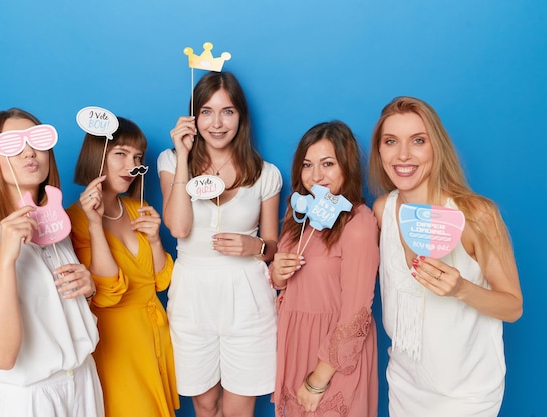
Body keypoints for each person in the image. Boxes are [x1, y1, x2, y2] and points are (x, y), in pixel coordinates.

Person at [368, 96, 523, 417]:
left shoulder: (476, 215)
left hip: (466, 392)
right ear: (379, 151)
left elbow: (513, 307)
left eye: (418, 141)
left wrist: (461, 289)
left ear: (436, 147)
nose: (403, 155)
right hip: (405, 383)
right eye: (391, 141)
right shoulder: (383, 210)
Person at [0, 108, 103, 417]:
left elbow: (56, 313)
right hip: (27, 399)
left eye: (37, 139)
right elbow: (2, 355)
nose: (29, 151)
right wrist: (7, 260)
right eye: (12, 144)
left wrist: (88, 290)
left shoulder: (56, 225)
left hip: (84, 381)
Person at [157, 71, 282, 417]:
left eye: (227, 111)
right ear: (194, 117)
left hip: (248, 299)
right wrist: (183, 157)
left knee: (239, 408)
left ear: (240, 116)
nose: (217, 123)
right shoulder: (170, 161)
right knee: (206, 405)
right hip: (192, 298)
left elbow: (273, 246)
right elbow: (179, 227)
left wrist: (253, 246)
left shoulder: (264, 173)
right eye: (207, 112)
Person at [66, 116, 179, 417]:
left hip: (154, 335)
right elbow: (106, 290)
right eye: (121, 153)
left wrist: (155, 240)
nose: (132, 164)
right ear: (97, 155)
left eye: (138, 157)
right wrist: (93, 223)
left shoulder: (136, 209)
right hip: (116, 344)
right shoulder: (72, 220)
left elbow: (160, 282)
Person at [270, 121, 379, 417]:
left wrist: (318, 380)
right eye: (307, 165)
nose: (316, 176)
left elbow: (357, 310)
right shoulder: (298, 216)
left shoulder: (358, 224)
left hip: (332, 356)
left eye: (327, 164)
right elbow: (285, 284)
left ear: (347, 166)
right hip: (296, 343)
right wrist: (277, 274)